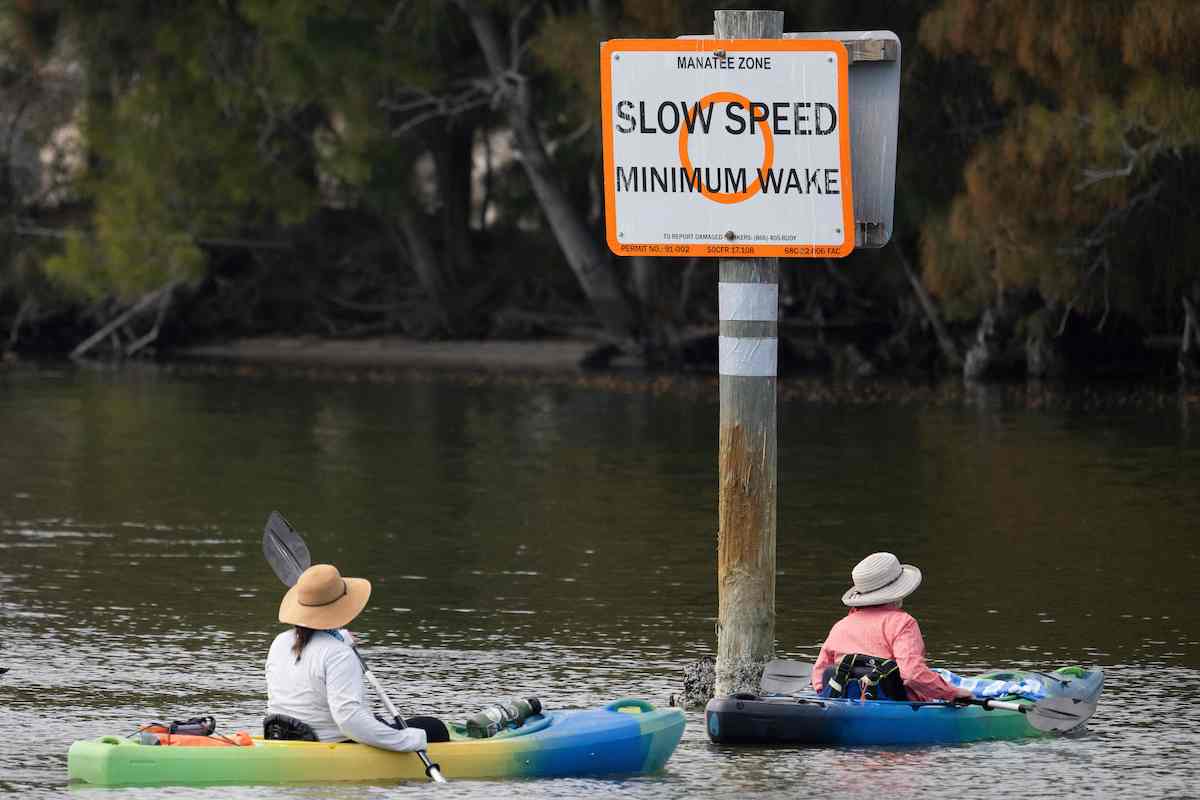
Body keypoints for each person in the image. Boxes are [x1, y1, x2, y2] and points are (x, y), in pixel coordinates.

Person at [265, 563, 448, 747]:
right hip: (333, 743)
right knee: (433, 727)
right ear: (341, 607)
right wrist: (408, 740)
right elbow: (349, 719)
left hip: (282, 735)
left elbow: (314, 651)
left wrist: (337, 638)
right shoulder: (339, 654)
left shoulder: (280, 642)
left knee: (376, 718)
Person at [811, 552, 972, 703]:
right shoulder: (903, 622)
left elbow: (819, 679)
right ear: (899, 592)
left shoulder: (841, 625)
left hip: (842, 704)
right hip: (894, 706)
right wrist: (953, 692)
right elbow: (913, 675)